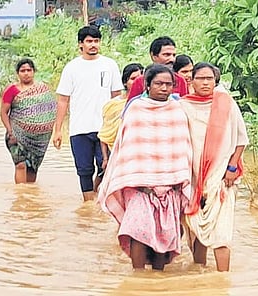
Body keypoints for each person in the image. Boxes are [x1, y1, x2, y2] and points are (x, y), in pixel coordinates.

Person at [98, 64, 192, 271]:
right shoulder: (135, 110)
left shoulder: (178, 110)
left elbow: (182, 146)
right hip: (138, 184)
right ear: (147, 85)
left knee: (164, 233)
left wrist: (177, 180)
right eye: (159, 83)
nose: (164, 88)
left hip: (170, 185)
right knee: (138, 231)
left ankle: (157, 279)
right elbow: (128, 146)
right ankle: (138, 277)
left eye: (169, 84)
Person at [180, 62, 249, 272]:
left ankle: (222, 280)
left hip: (221, 177)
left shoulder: (226, 104)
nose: (205, 82)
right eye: (200, 78)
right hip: (193, 177)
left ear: (215, 81)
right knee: (196, 226)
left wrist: (232, 167)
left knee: (222, 231)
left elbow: (240, 139)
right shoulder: (183, 105)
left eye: (209, 78)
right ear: (190, 81)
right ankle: (199, 271)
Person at [53, 25, 123, 202]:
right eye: (89, 41)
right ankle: (88, 204)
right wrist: (58, 130)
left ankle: (98, 196)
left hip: (105, 129)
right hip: (79, 127)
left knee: (106, 166)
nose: (93, 45)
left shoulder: (110, 65)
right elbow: (63, 100)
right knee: (84, 170)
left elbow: (117, 97)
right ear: (80, 44)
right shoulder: (72, 68)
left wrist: (118, 126)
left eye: (96, 41)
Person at [0, 58, 57, 184]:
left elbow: (50, 111)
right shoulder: (11, 91)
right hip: (16, 136)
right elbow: (3, 113)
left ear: (33, 72)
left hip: (38, 139)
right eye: (22, 71)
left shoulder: (42, 89)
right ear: (18, 73)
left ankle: (29, 198)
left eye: (29, 70)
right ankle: (20, 196)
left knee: (33, 168)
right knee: (20, 165)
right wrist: (10, 131)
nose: (26, 73)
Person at [97, 62, 144, 173]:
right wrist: (105, 158)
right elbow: (105, 134)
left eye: (141, 78)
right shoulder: (112, 105)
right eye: (133, 79)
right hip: (114, 152)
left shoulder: (146, 103)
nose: (138, 82)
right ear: (125, 82)